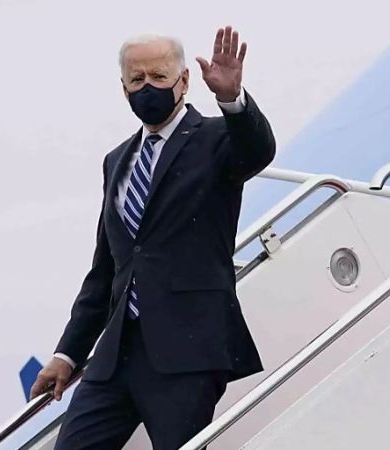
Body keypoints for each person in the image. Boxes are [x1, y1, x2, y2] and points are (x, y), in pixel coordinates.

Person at [29, 26, 275, 449]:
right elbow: (107, 269)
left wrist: (232, 100)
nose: (148, 87)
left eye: (159, 77)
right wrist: (67, 354)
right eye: (137, 79)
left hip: (188, 351)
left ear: (183, 81)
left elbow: (257, 150)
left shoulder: (216, 138)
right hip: (116, 356)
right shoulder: (117, 160)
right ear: (123, 89)